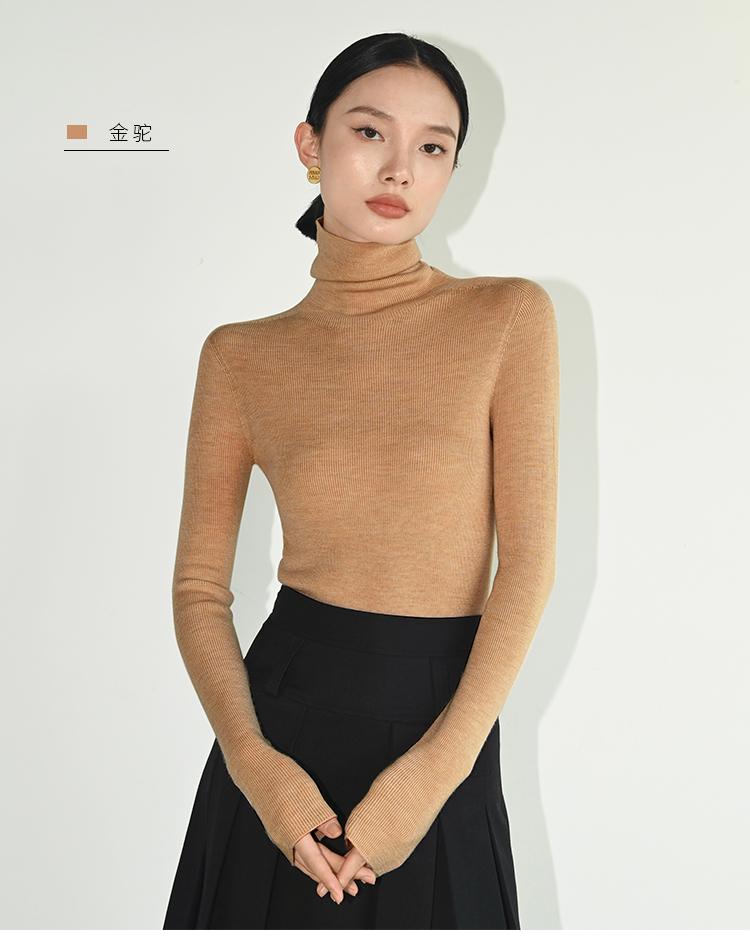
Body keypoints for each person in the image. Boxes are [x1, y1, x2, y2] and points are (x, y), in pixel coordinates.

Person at [163, 31, 559, 930]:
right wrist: (260, 772)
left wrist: (427, 782)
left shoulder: (507, 318)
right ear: (311, 145)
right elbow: (197, 589)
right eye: (370, 132)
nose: (399, 169)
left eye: (434, 146)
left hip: (441, 736)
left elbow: (529, 565)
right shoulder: (241, 357)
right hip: (282, 735)